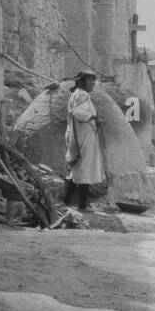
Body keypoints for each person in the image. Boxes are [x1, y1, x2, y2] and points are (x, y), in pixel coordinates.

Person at [64, 70, 104, 211]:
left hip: (78, 136)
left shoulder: (76, 94)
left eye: (93, 81)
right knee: (85, 169)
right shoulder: (83, 95)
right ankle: (82, 205)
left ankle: (67, 201)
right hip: (84, 138)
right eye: (89, 81)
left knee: (76, 170)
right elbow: (78, 113)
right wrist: (93, 117)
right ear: (82, 82)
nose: (92, 84)